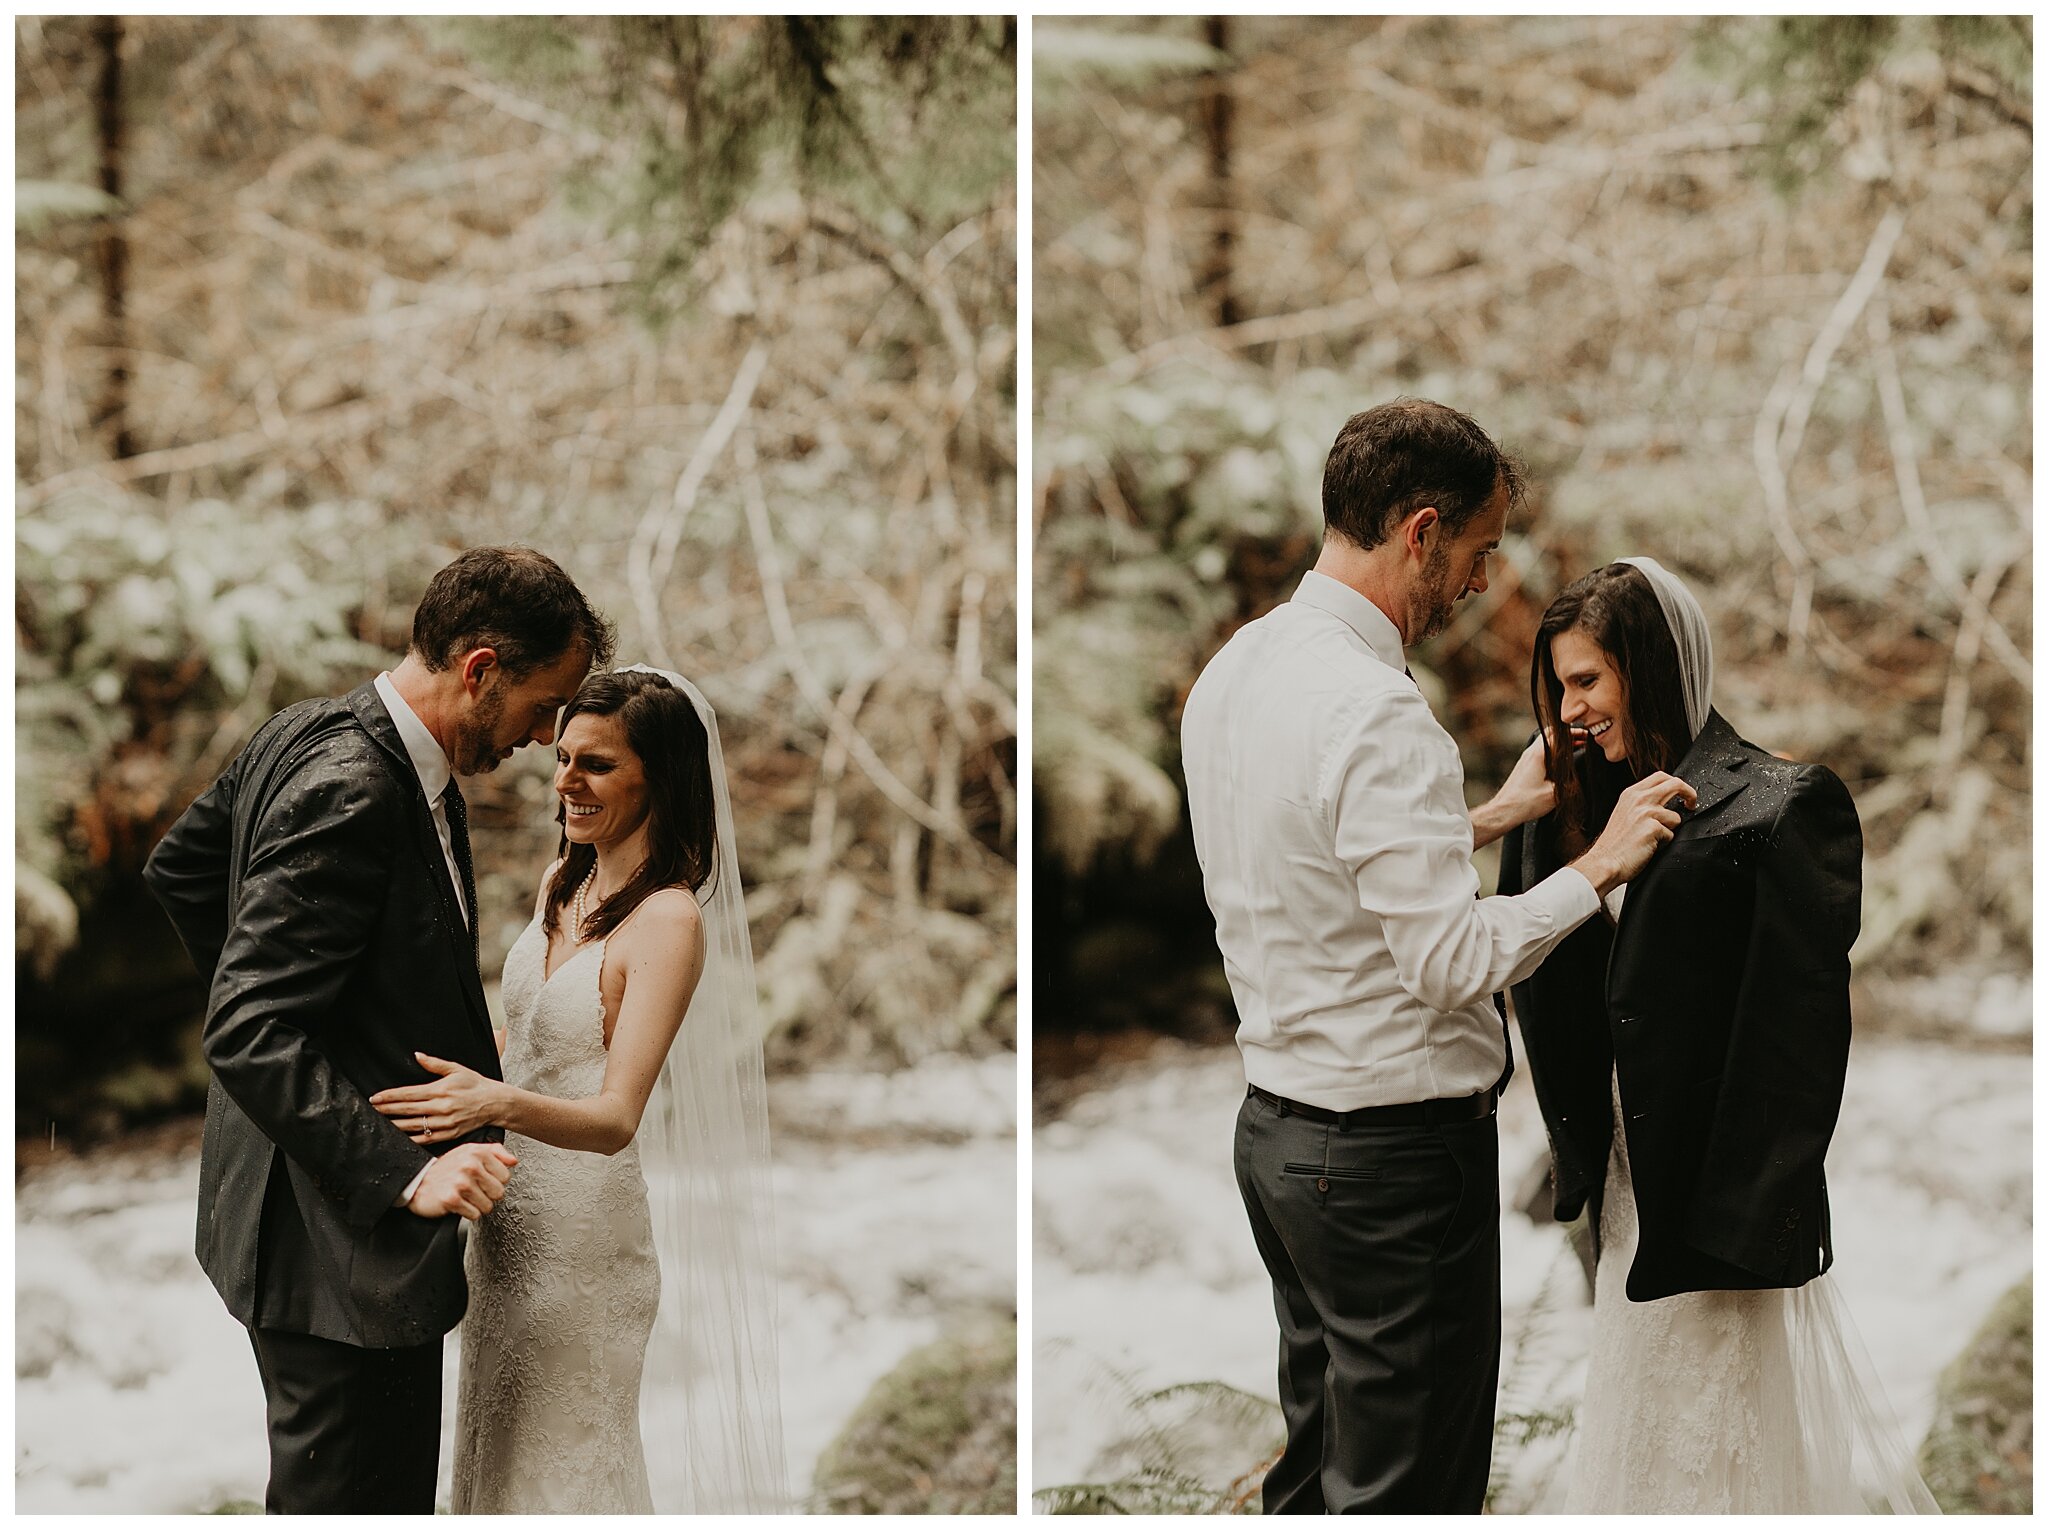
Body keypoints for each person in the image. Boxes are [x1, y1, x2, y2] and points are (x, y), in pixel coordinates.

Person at [1179, 399, 1696, 1513]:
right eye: (1474, 552)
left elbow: (1299, 855)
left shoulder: (1238, 670)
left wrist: (1483, 821)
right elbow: (1451, 962)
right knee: (1410, 1497)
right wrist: (1595, 865)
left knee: (1318, 1482)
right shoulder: (1374, 710)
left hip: (1278, 1140)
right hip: (1390, 1176)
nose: (1477, 580)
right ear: (1419, 532)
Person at [143, 546, 613, 1513]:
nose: (538, 739)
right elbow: (248, 1026)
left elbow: (185, 871)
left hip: (314, 1228)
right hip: (338, 1246)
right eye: (540, 708)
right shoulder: (351, 786)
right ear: (481, 669)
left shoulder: (304, 729)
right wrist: (405, 1169)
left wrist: (327, 1021)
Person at [1499, 556, 1937, 1513]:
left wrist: (1744, 1231)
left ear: (1649, 667)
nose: (1569, 710)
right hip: (1616, 1190)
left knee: (1710, 1436)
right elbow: (1528, 975)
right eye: (1559, 685)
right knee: (1628, 1421)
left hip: (1716, 1206)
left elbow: (1798, 1040)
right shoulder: (1564, 814)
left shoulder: (1781, 805)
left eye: (1588, 681)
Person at [369, 666, 786, 1513]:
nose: (566, 782)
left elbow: (615, 1118)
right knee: (495, 1450)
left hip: (585, 1235)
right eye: (562, 758)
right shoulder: (564, 882)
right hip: (508, 1221)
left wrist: (491, 1103)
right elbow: (519, 1038)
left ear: (658, 778)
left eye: (596, 764)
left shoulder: (669, 919)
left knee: (565, 1466)